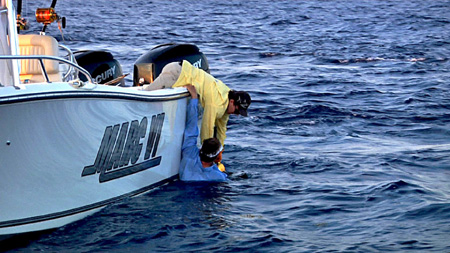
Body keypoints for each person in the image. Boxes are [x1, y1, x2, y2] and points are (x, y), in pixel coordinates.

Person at [143, 60, 251, 147]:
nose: (236, 114)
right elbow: (207, 127)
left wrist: (219, 151)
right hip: (177, 73)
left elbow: (222, 130)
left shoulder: (227, 97)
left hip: (183, 73)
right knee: (145, 97)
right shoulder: (217, 103)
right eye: (237, 110)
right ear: (232, 101)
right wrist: (207, 152)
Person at [178, 85, 227, 182]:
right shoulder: (218, 176)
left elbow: (191, 125)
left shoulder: (189, 152)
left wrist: (194, 98)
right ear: (217, 157)